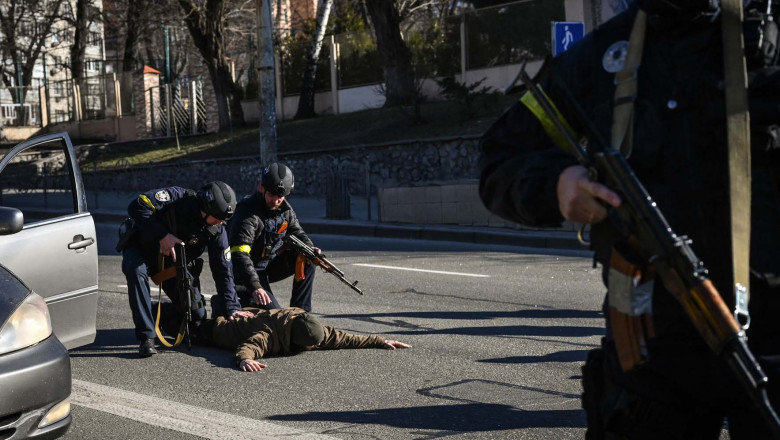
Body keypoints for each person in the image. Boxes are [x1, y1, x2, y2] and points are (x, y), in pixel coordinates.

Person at [479, 0, 780, 438]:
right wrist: (558, 185)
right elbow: (501, 158)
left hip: (771, 342)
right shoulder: (604, 54)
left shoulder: (769, 37)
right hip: (651, 356)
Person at [120, 181, 253, 358]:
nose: (221, 223)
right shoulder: (176, 197)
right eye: (218, 218)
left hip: (173, 262)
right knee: (136, 271)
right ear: (205, 208)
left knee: (196, 316)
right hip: (142, 247)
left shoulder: (216, 229)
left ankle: (152, 311)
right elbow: (137, 206)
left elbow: (223, 269)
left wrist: (232, 306)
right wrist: (162, 235)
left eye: (223, 220)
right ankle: (147, 337)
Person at [226, 162, 320, 312]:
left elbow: (297, 232)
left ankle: (300, 313)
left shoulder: (285, 209)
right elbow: (239, 255)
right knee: (274, 316)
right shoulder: (247, 213)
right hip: (244, 274)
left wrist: (310, 247)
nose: (276, 201)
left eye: (280, 197)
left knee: (308, 257)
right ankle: (244, 295)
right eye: (272, 195)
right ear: (261, 188)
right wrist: (255, 286)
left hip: (267, 267)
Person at [193, 307, 411, 371]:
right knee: (182, 325)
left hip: (250, 314)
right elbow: (249, 346)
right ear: (298, 340)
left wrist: (379, 341)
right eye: (313, 345)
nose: (317, 346)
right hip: (214, 331)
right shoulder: (269, 335)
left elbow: (342, 337)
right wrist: (245, 360)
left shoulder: (307, 326)